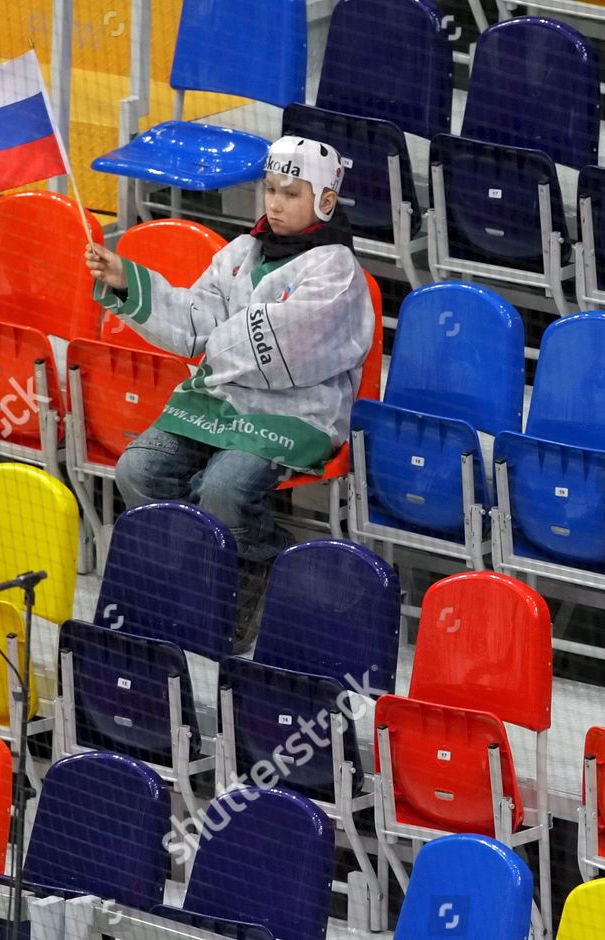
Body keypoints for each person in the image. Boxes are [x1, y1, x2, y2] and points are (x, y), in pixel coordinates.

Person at [85, 136, 373, 647]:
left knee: (223, 488)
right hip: (220, 399)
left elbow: (288, 347)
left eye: (292, 193)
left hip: (297, 411)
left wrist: (215, 343)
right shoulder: (241, 253)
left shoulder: (336, 270)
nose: (276, 203)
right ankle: (193, 577)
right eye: (270, 190)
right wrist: (126, 280)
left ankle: (261, 566)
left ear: (325, 201)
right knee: (138, 468)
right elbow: (197, 322)